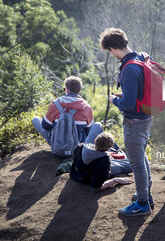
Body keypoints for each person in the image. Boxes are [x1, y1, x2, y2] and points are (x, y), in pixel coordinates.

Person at [100, 28, 153, 216]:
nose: (111, 54)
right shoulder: (140, 58)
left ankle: (142, 203)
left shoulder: (128, 68)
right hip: (146, 116)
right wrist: (124, 95)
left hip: (134, 122)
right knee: (141, 157)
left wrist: (114, 100)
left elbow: (129, 104)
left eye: (110, 51)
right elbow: (137, 92)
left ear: (114, 48)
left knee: (136, 162)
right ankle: (146, 195)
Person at [32, 76, 96, 148]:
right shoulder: (87, 108)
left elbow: (45, 125)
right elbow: (89, 131)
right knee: (97, 126)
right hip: (77, 149)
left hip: (57, 146)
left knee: (35, 119)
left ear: (67, 90)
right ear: (79, 91)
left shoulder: (55, 104)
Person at [70, 131, 134, 192]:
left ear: (95, 140)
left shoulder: (80, 146)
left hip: (76, 173)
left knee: (98, 125)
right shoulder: (105, 162)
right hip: (90, 173)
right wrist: (115, 180)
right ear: (108, 149)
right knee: (133, 165)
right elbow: (95, 188)